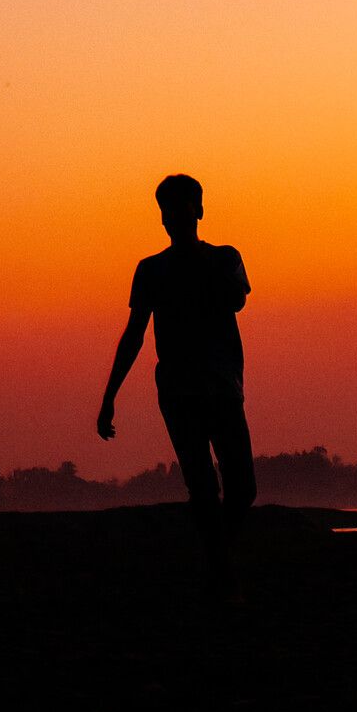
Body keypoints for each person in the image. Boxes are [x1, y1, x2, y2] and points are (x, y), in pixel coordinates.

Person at [97, 175, 253, 597]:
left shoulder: (225, 259)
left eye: (184, 208)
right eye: (169, 210)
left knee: (242, 487)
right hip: (180, 392)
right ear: (161, 217)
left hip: (222, 387)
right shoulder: (150, 270)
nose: (175, 217)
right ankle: (219, 572)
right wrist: (110, 396)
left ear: (198, 211)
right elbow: (134, 334)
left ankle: (215, 557)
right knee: (202, 485)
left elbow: (237, 297)